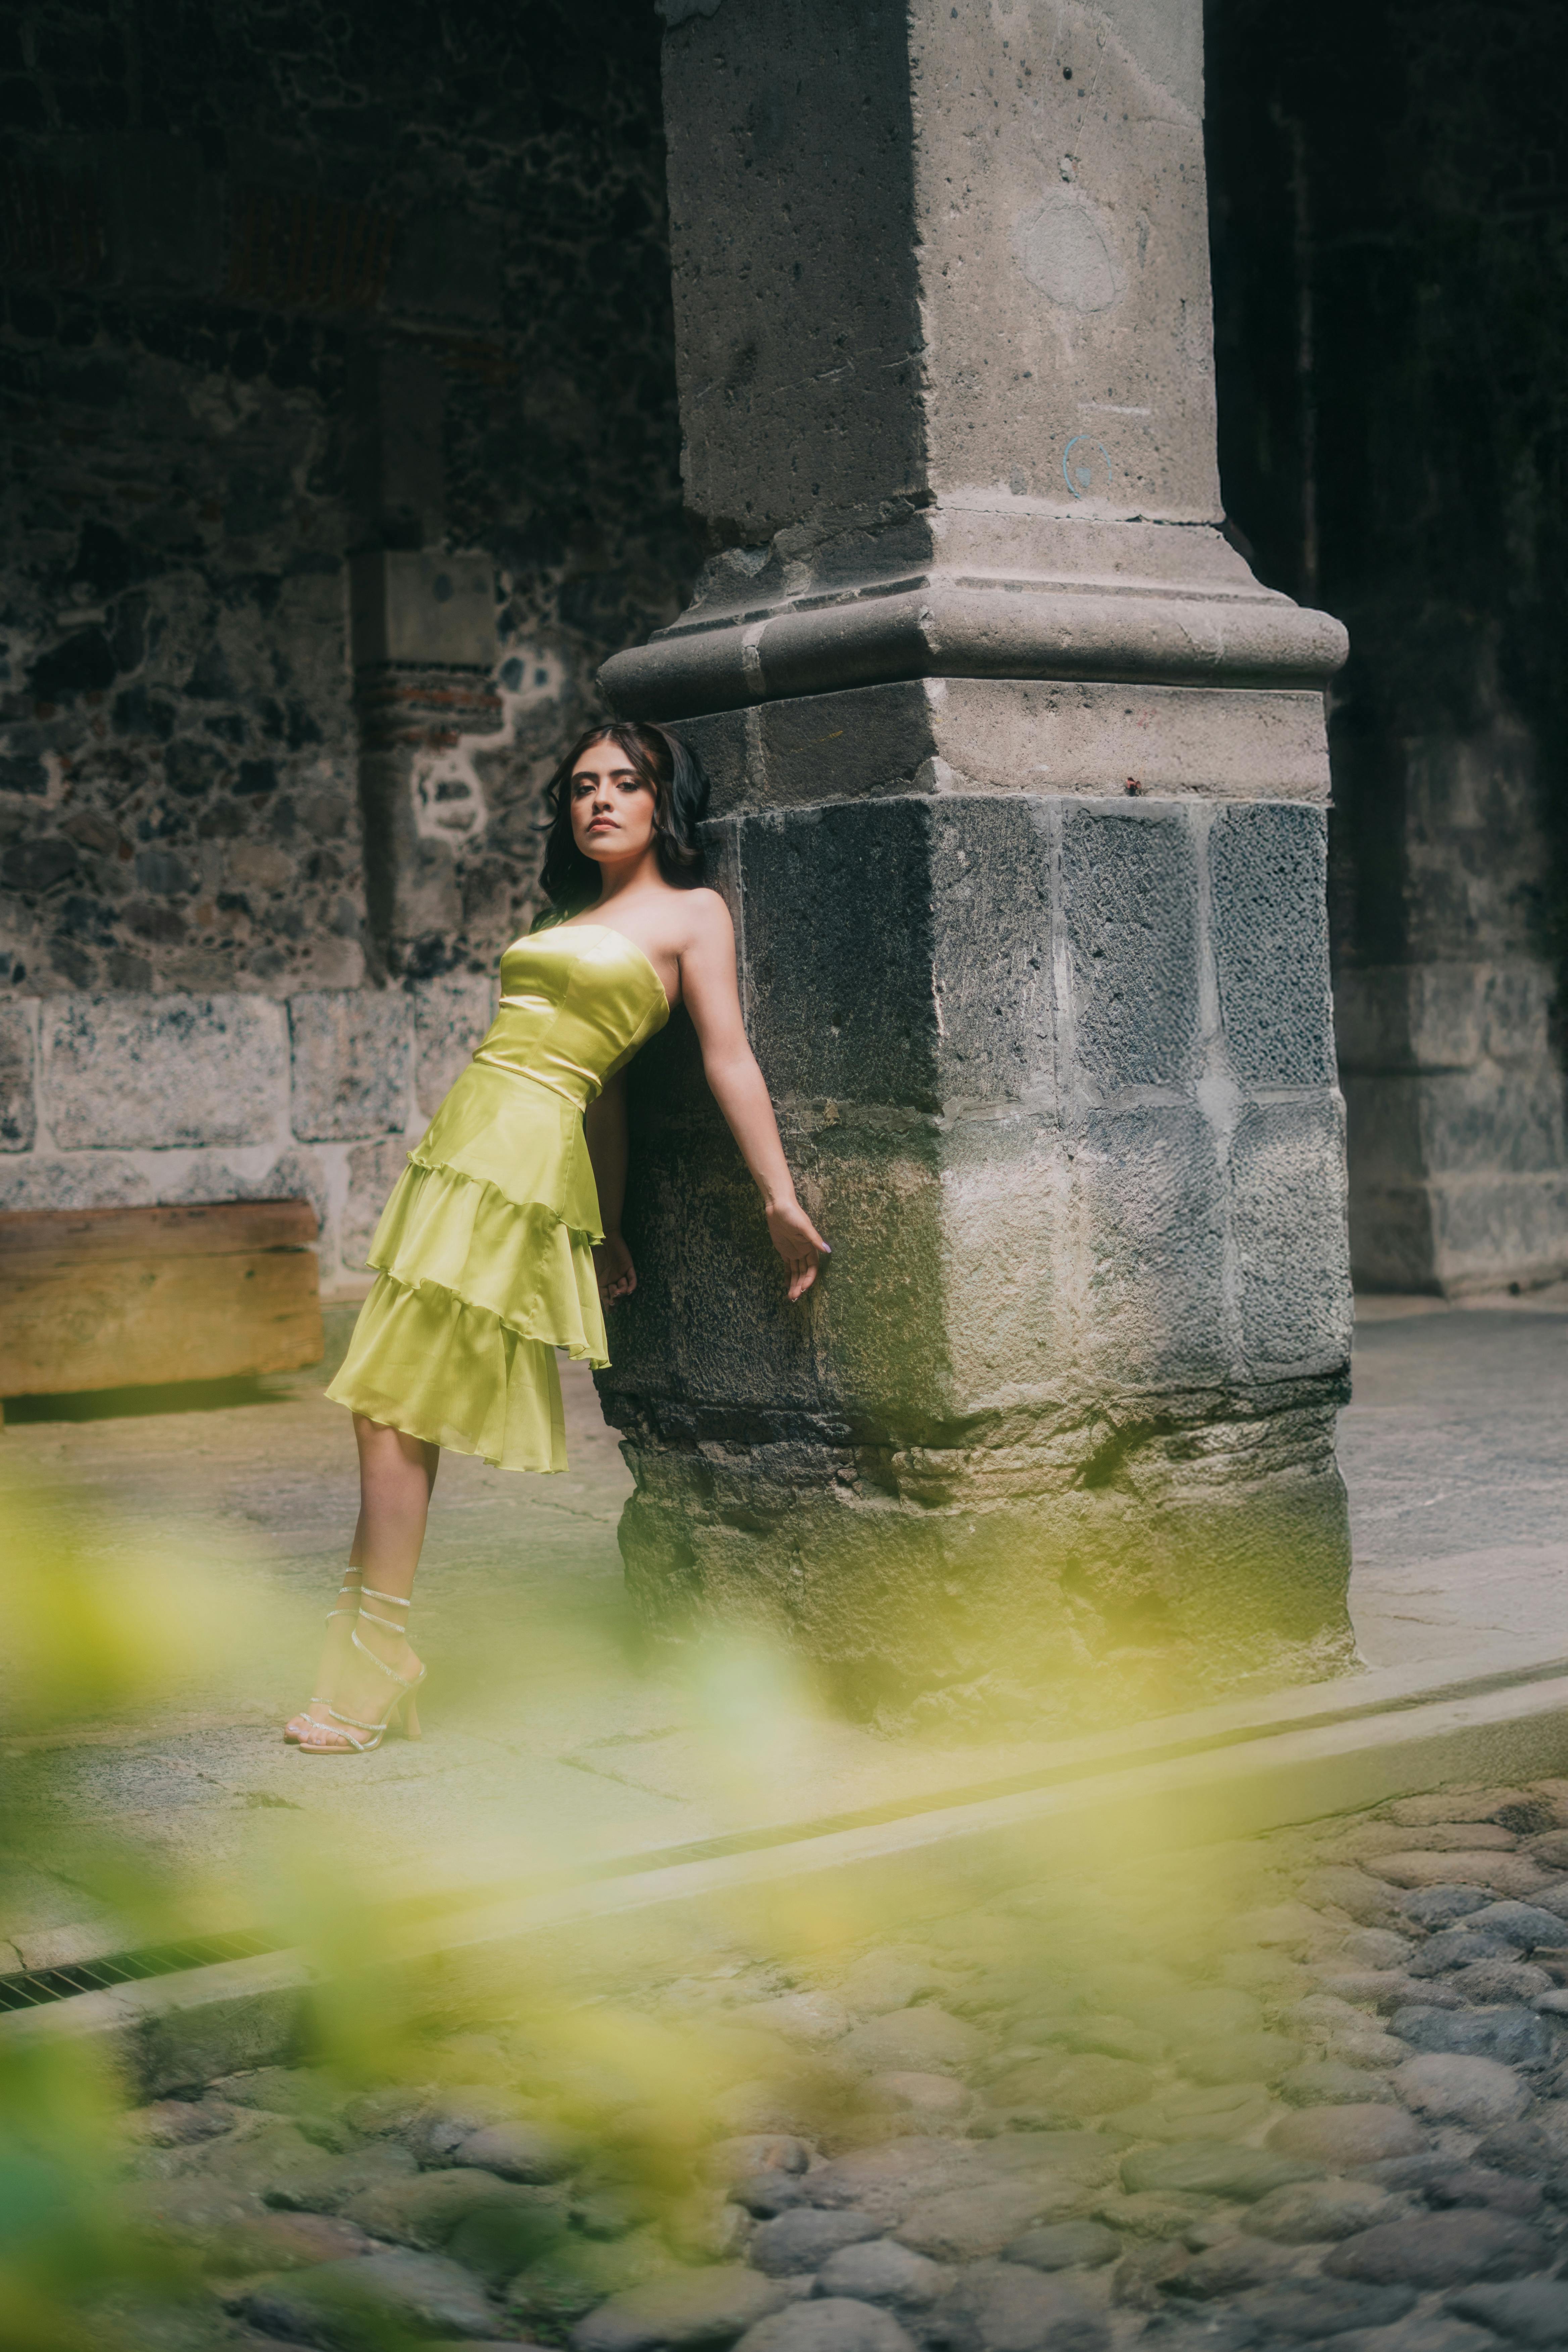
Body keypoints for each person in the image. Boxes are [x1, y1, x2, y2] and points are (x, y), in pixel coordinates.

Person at [286, 720, 829, 1754]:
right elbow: (613, 1108)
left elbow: (728, 1060)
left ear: (663, 800)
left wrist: (778, 1195)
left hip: (524, 1163)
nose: (602, 801)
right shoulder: (565, 914)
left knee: (395, 1405)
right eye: (583, 785)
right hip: (466, 1141)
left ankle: (376, 1653)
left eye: (627, 783)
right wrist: (611, 1224)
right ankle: (366, 1648)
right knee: (380, 1403)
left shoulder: (692, 914)